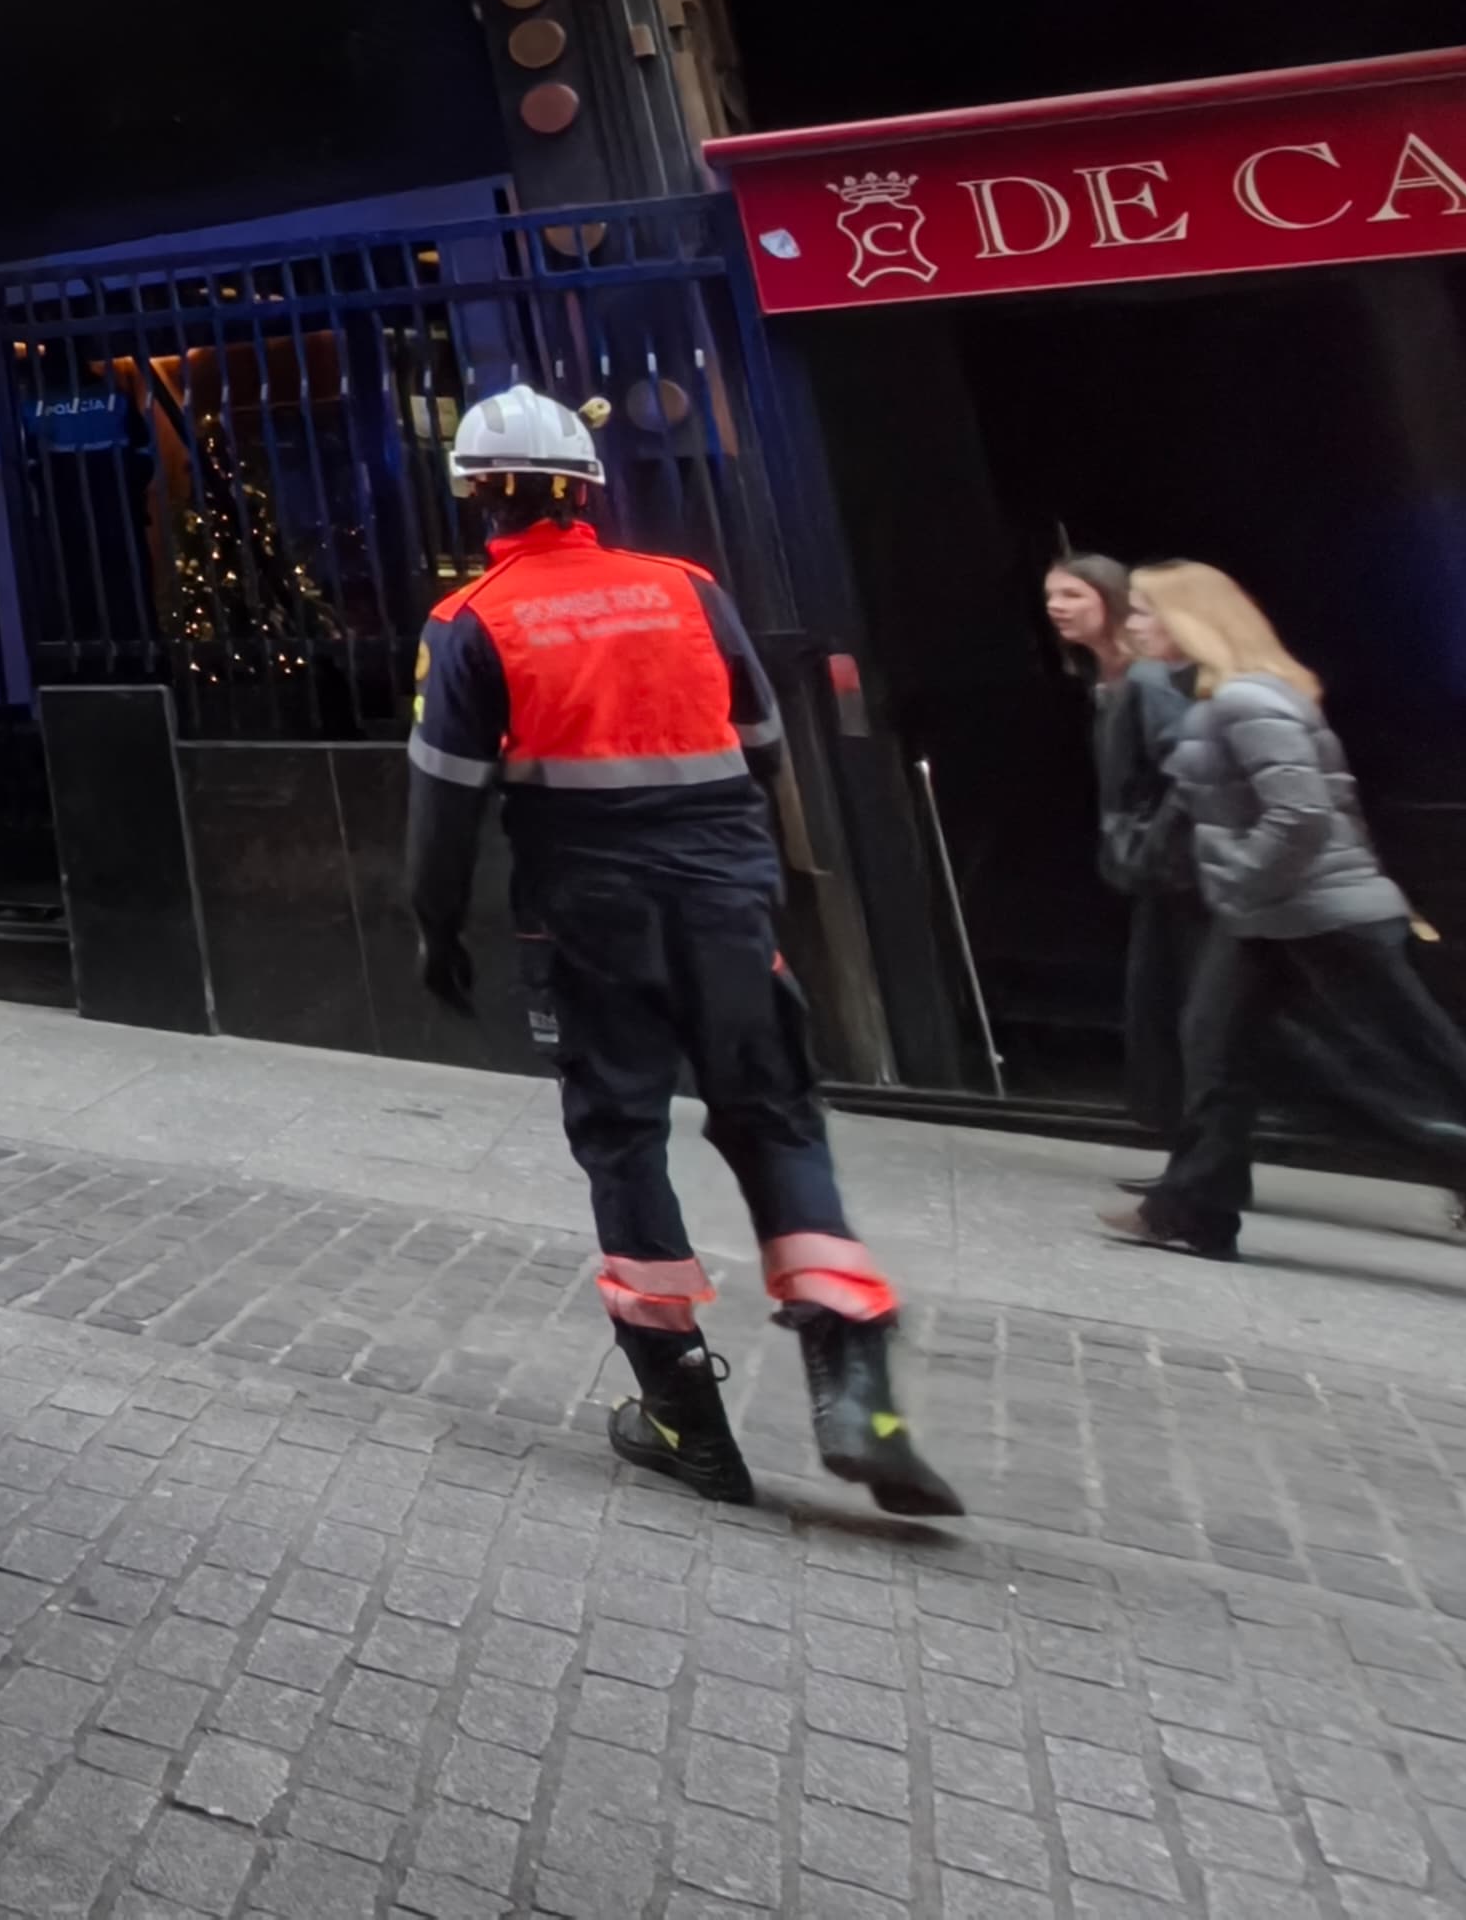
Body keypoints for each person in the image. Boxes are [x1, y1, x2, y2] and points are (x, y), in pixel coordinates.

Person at [408, 386, 962, 1515]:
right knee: (772, 1117)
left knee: (620, 1137)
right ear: (586, 488)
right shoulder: (688, 591)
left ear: (474, 493)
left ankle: (682, 1420)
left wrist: (431, 923)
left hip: (587, 915)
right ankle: (858, 1391)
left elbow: (444, 803)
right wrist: (757, 888)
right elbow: (761, 746)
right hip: (722, 899)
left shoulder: (471, 620)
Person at [1106, 563, 1466, 1258]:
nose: (1135, 626)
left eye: (1147, 612)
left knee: (1444, 1068)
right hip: (1275, 915)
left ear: (1192, 620)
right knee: (1215, 1049)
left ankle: (1192, 1206)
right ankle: (1191, 1207)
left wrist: (1241, 875)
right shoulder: (1230, 698)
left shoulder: (1247, 700)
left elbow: (1301, 815)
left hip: (1322, 914)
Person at [1054, 551, 1211, 1142]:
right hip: (1158, 868)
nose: (1055, 607)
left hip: (1178, 870)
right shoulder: (1107, 677)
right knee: (1167, 1018)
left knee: (1196, 1018)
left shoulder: (1145, 676)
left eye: (1072, 595)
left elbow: (1186, 766)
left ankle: (1438, 1139)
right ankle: (1188, 1164)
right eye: (1052, 594)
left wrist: (1149, 844)